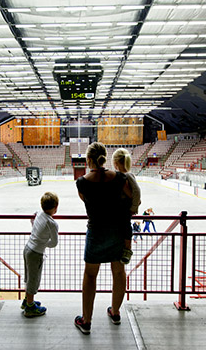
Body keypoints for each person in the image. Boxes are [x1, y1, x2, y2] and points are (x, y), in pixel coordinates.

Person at [73, 142, 133, 335]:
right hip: (117, 232)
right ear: (105, 158)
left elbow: (86, 201)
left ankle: (87, 321)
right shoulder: (120, 178)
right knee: (118, 272)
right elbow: (131, 199)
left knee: (90, 275)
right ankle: (115, 313)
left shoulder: (82, 183)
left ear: (88, 160)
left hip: (96, 232)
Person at [22, 192, 59, 318]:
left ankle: (27, 300)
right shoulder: (52, 224)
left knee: (28, 276)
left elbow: (32, 221)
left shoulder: (39, 214)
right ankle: (30, 307)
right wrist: (43, 244)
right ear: (56, 207)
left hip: (27, 248)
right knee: (33, 279)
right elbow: (54, 243)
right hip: (36, 253)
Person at [113, 148, 142, 264]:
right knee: (122, 227)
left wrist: (134, 208)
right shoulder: (117, 176)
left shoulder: (127, 176)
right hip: (119, 207)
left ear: (115, 164)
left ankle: (127, 250)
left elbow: (136, 191)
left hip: (124, 207)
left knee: (125, 226)